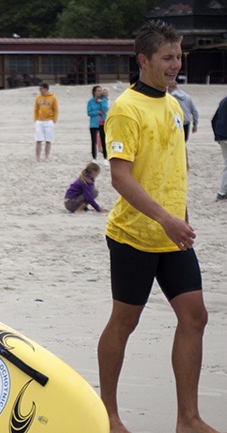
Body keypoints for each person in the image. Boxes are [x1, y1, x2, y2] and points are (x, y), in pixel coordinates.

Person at [97, 21, 221, 433]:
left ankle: (187, 418)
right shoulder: (125, 109)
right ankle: (109, 415)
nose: (175, 65)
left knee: (195, 316)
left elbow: (173, 166)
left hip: (173, 236)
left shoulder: (172, 105)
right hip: (134, 236)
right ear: (143, 60)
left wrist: (179, 216)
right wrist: (165, 218)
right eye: (167, 57)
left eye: (178, 56)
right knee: (124, 322)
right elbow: (120, 177)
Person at [34, 82, 58, 162]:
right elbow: (36, 109)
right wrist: (36, 119)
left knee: (48, 140)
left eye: (41, 88)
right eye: (39, 89)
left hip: (49, 121)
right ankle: (37, 157)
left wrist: (54, 120)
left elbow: (55, 109)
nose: (40, 90)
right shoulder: (38, 98)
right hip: (39, 121)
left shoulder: (53, 98)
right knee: (38, 140)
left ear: (46, 89)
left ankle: (46, 157)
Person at [87, 85, 109, 165]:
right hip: (94, 123)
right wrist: (97, 112)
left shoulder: (104, 100)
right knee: (94, 141)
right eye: (98, 91)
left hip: (103, 123)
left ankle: (105, 158)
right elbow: (89, 113)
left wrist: (102, 101)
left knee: (104, 141)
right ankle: (94, 158)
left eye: (100, 91)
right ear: (94, 92)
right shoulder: (90, 101)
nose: (100, 92)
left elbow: (105, 109)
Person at [211, 95, 227, 201]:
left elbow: (214, 120)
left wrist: (218, 135)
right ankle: (222, 192)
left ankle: (222, 192)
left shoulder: (223, 101)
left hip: (221, 136)